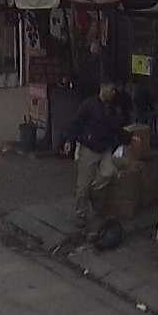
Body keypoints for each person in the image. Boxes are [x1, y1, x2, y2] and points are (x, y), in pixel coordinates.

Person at [63, 80, 125, 228]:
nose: (113, 93)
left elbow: (116, 127)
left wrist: (128, 137)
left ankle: (94, 193)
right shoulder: (89, 105)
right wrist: (69, 140)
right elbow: (76, 122)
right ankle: (80, 214)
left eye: (114, 90)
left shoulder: (111, 108)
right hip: (89, 148)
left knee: (108, 173)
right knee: (83, 184)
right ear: (103, 88)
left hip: (105, 148)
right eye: (111, 89)